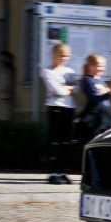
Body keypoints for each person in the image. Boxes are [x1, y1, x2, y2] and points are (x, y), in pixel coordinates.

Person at [42, 42, 76, 184]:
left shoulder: (70, 72)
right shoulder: (48, 71)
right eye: (61, 55)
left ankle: (63, 171)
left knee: (65, 141)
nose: (63, 58)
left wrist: (64, 89)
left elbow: (77, 88)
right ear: (54, 55)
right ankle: (52, 172)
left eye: (66, 56)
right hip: (55, 106)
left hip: (68, 107)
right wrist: (66, 89)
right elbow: (57, 90)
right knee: (54, 140)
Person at [74, 54, 111, 143]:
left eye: (103, 66)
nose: (102, 69)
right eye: (99, 66)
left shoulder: (100, 79)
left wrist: (110, 91)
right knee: (95, 141)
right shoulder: (88, 80)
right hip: (95, 118)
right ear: (90, 66)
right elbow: (94, 98)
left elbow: (104, 97)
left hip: (105, 115)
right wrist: (110, 92)